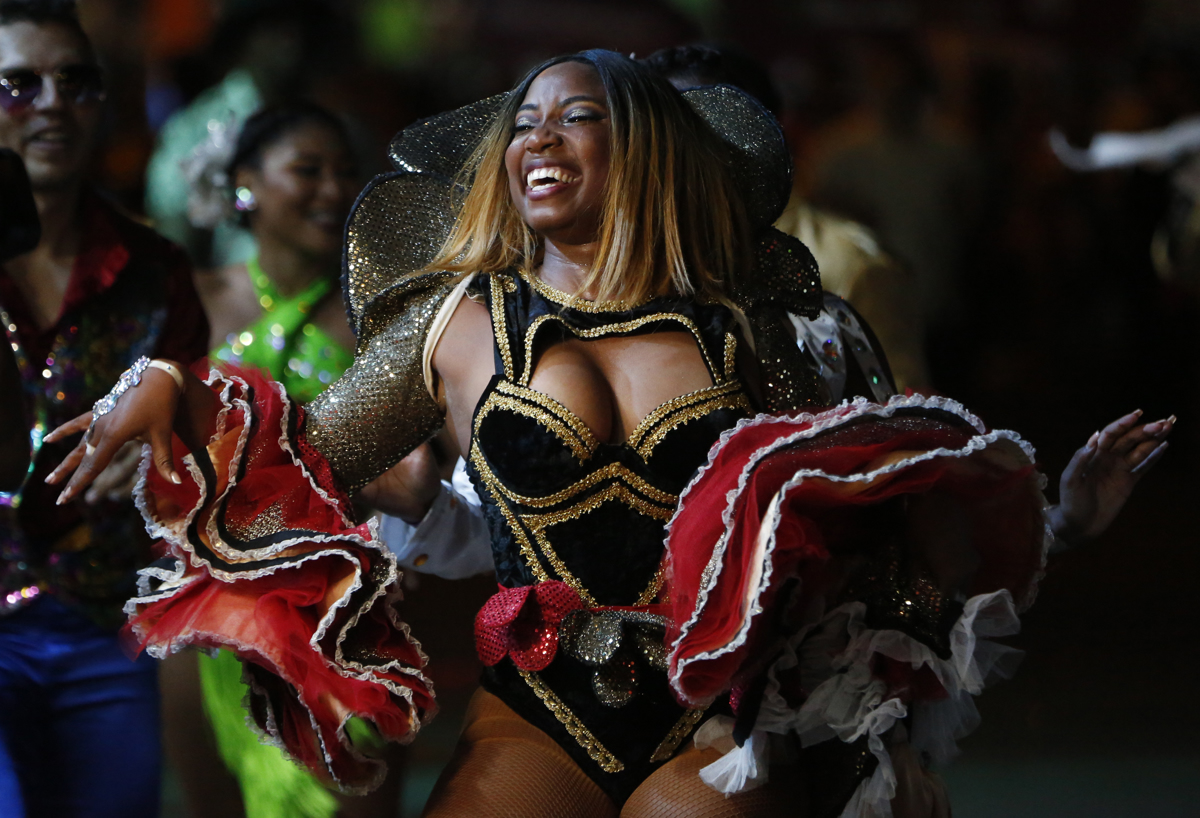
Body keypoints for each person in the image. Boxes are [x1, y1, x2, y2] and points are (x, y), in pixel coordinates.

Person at [47, 51, 1172, 818]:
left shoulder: (755, 330)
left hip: (716, 713)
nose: (540, 139)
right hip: (537, 708)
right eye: (523, 121)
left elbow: (873, 527)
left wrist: (896, 735)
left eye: (575, 117)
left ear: (641, 147)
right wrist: (175, 389)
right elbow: (306, 450)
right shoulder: (457, 321)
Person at [163, 102, 404, 818]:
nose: (333, 189)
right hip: (203, 612)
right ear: (245, 184)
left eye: (345, 173)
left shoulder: (381, 318)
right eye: (307, 170)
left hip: (340, 618)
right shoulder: (190, 305)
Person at [0, 2, 209, 816]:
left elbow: (204, 435)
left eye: (75, 82)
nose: (52, 102)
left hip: (110, 621)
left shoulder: (155, 267)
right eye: (19, 84)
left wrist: (163, 455)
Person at [641, 43, 932, 393]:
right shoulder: (627, 263)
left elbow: (896, 410)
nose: (672, 148)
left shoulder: (850, 263)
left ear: (762, 131)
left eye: (703, 121)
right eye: (655, 127)